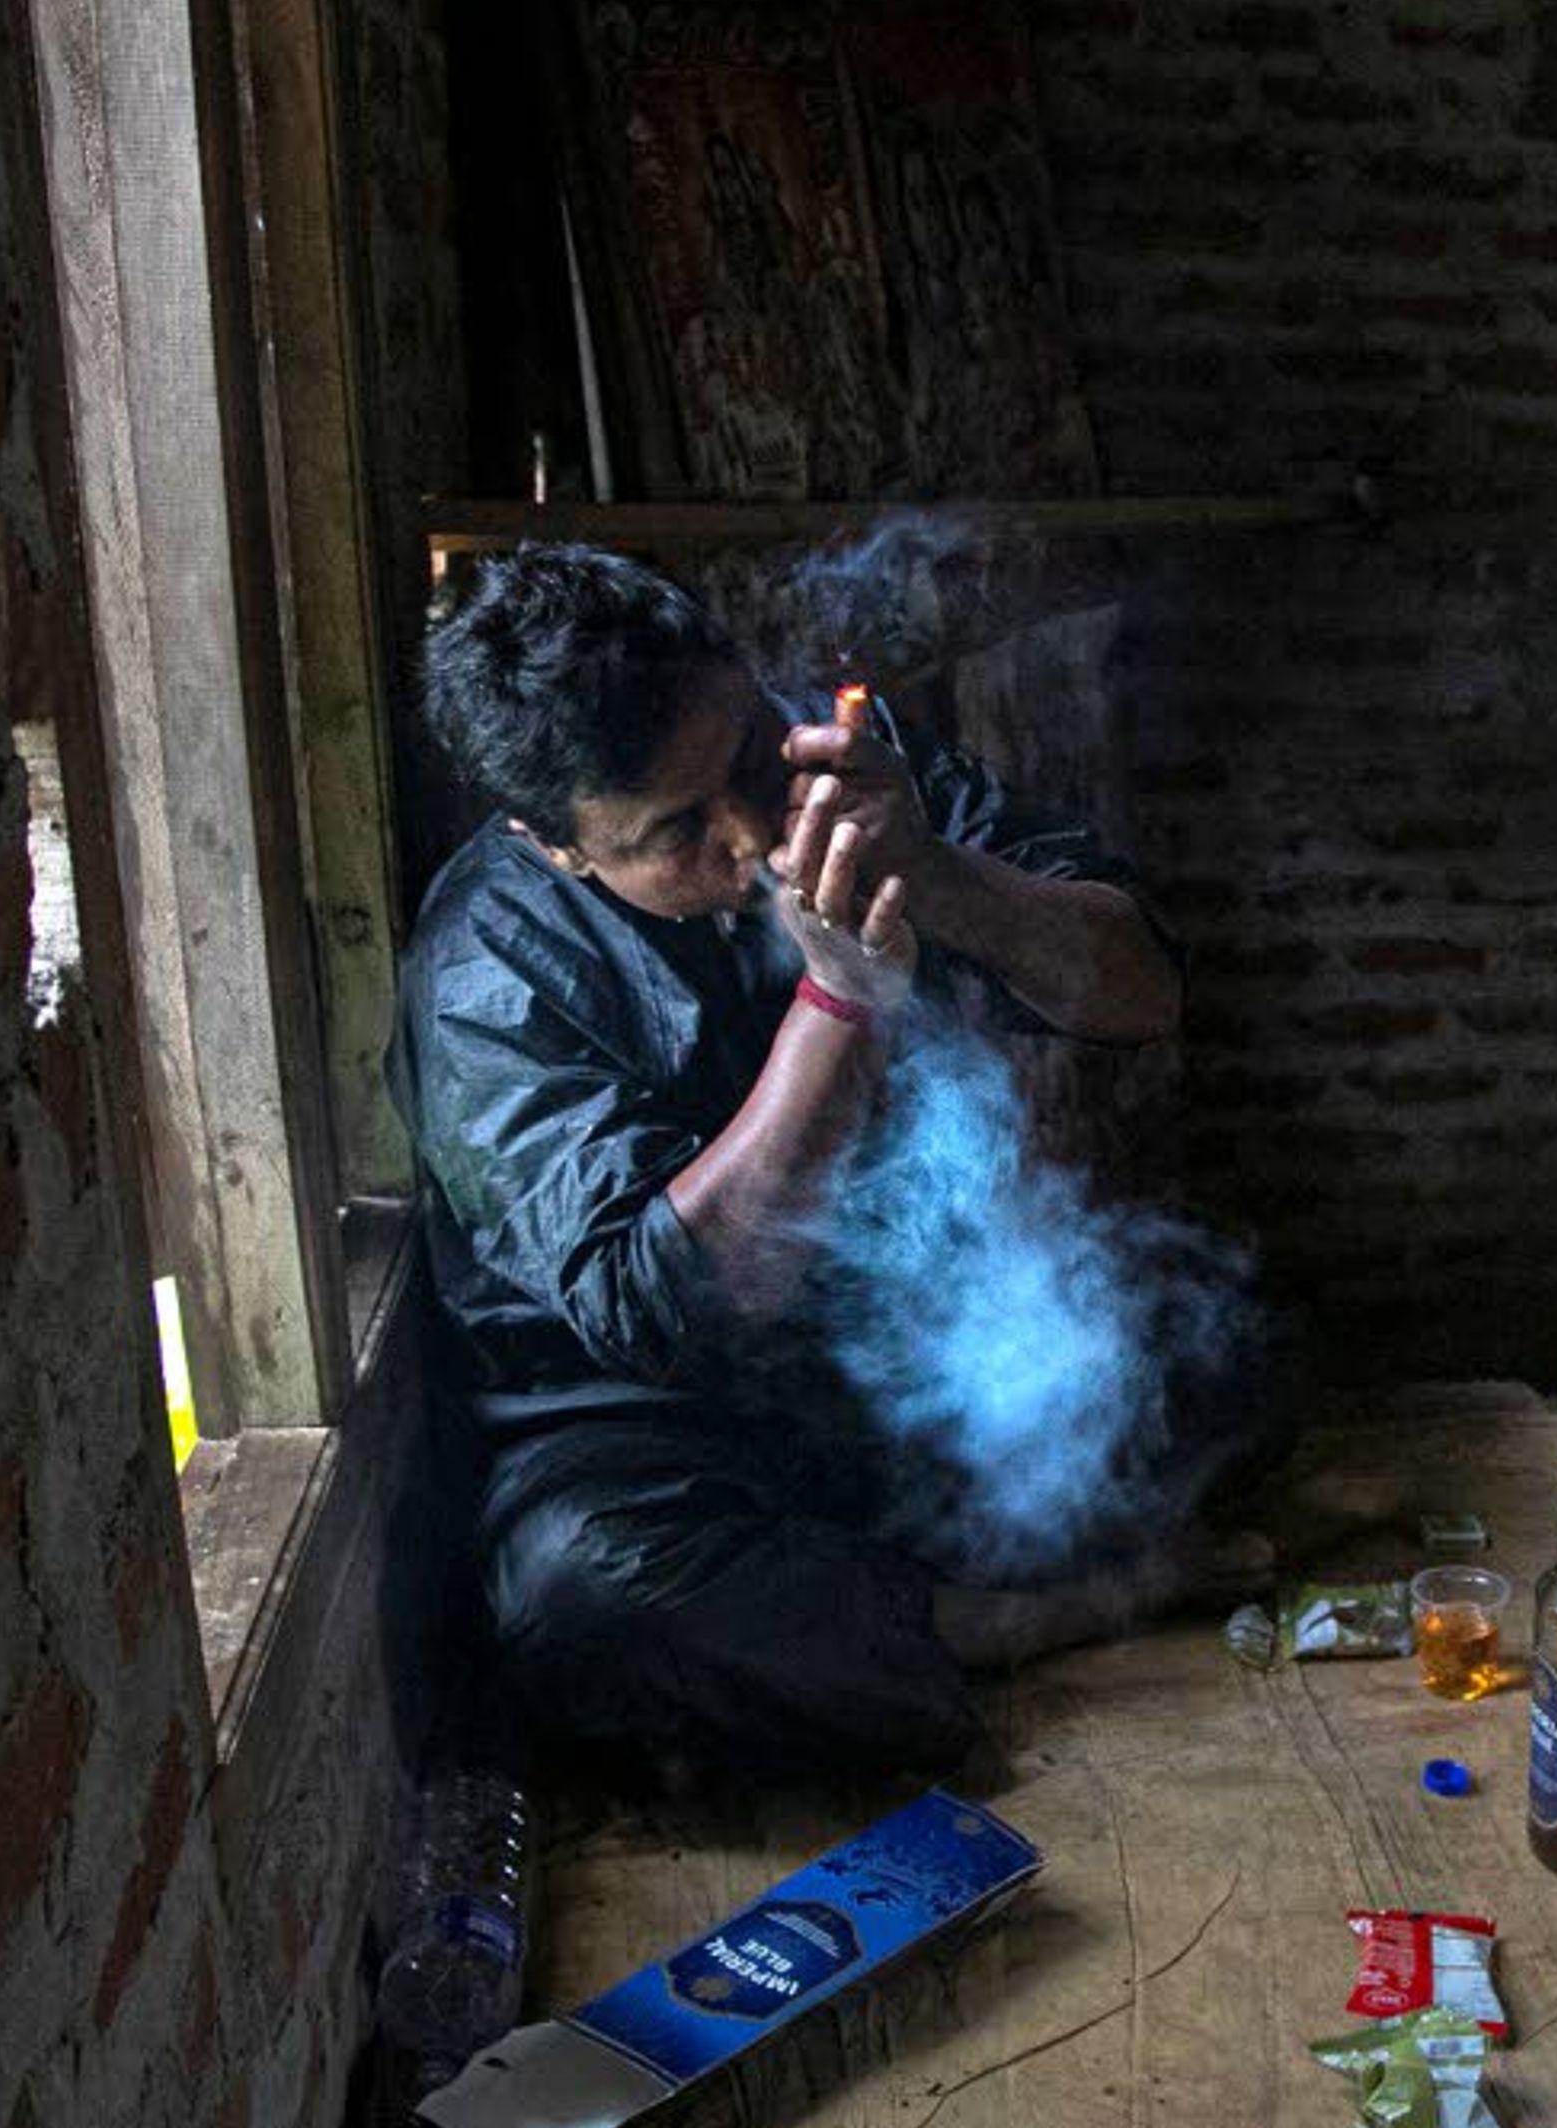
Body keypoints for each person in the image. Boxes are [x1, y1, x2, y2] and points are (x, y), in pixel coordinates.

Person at [388, 543, 1194, 1782]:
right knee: (579, 1599)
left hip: (870, 1364)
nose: (758, 835)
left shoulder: (845, 770)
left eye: (753, 758)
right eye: (676, 832)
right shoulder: (487, 977)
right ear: (558, 848)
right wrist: (842, 1001)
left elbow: (1142, 988)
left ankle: (903, 1603)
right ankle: (990, 1622)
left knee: (1202, 1363)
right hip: (639, 1433)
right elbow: (682, 1309)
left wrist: (936, 872)